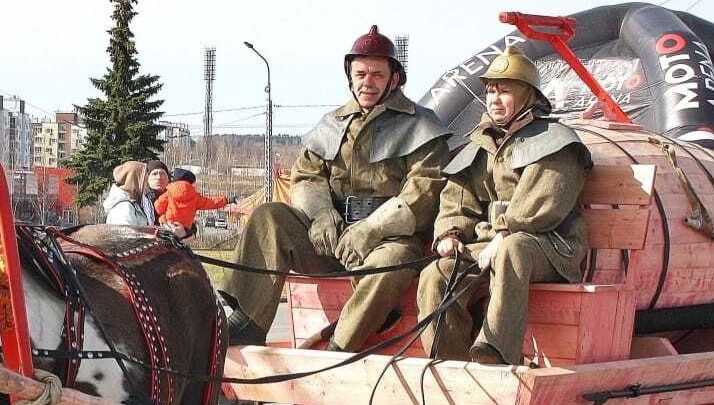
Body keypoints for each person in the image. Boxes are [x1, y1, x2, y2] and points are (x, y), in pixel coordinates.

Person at [216, 26, 450, 349]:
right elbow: (307, 175)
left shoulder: (421, 125)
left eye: (377, 74)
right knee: (269, 217)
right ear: (350, 76)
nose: (367, 82)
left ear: (394, 79)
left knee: (393, 262)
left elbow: (425, 189)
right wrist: (322, 214)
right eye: (360, 74)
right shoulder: (332, 123)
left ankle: (338, 346)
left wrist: (371, 229)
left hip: (388, 240)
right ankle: (249, 320)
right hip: (333, 238)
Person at [417, 45, 591, 365]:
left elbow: (543, 202)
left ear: (528, 95)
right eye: (490, 91)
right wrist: (450, 233)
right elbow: (458, 197)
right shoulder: (482, 142)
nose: (495, 99)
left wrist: (505, 232)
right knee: (437, 273)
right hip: (491, 241)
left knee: (513, 249)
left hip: (551, 244)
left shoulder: (556, 141)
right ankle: (448, 360)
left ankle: (496, 351)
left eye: (505, 91)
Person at [154, 168, 236, 234]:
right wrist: (227, 200)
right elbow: (211, 202)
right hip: (185, 228)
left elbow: (158, 206)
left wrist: (163, 215)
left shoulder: (169, 193)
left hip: (169, 224)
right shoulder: (195, 197)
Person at [103, 160, 151, 226]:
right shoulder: (123, 208)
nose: (148, 184)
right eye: (145, 180)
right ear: (135, 181)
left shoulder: (132, 205)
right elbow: (125, 235)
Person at [143, 159, 170, 224]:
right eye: (154, 174)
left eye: (162, 173)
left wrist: (189, 232)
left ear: (168, 178)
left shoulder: (174, 196)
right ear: (147, 178)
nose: (159, 177)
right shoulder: (143, 200)